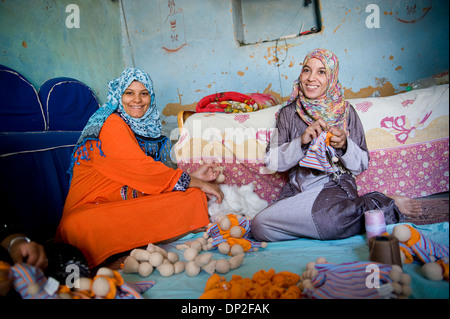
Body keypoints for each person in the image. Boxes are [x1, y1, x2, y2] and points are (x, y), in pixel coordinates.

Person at [56, 68, 224, 268]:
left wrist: (193, 178)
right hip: (91, 211)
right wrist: (197, 183)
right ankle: (122, 249)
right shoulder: (110, 124)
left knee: (192, 196)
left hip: (125, 204)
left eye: (143, 93)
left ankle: (129, 247)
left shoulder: (145, 130)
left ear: (150, 97)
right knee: (80, 227)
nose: (137, 100)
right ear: (119, 95)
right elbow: (144, 171)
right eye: (129, 93)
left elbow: (151, 180)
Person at [251, 48, 422, 242]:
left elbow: (361, 165)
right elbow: (273, 163)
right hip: (298, 192)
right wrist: (302, 142)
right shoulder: (289, 113)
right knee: (260, 227)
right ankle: (330, 221)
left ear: (331, 76)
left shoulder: (346, 112)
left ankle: (377, 203)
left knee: (328, 222)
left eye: (321, 72)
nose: (310, 78)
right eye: (307, 70)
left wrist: (344, 146)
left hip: (333, 186)